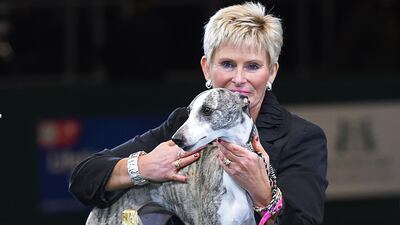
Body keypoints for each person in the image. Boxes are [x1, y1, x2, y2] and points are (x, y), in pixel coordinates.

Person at [69, 2, 328, 225]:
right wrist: (145, 166)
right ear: (207, 68)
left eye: (253, 66)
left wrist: (263, 193)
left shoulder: (302, 138)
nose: (239, 78)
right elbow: (83, 178)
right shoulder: (182, 124)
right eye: (227, 64)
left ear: (271, 72)